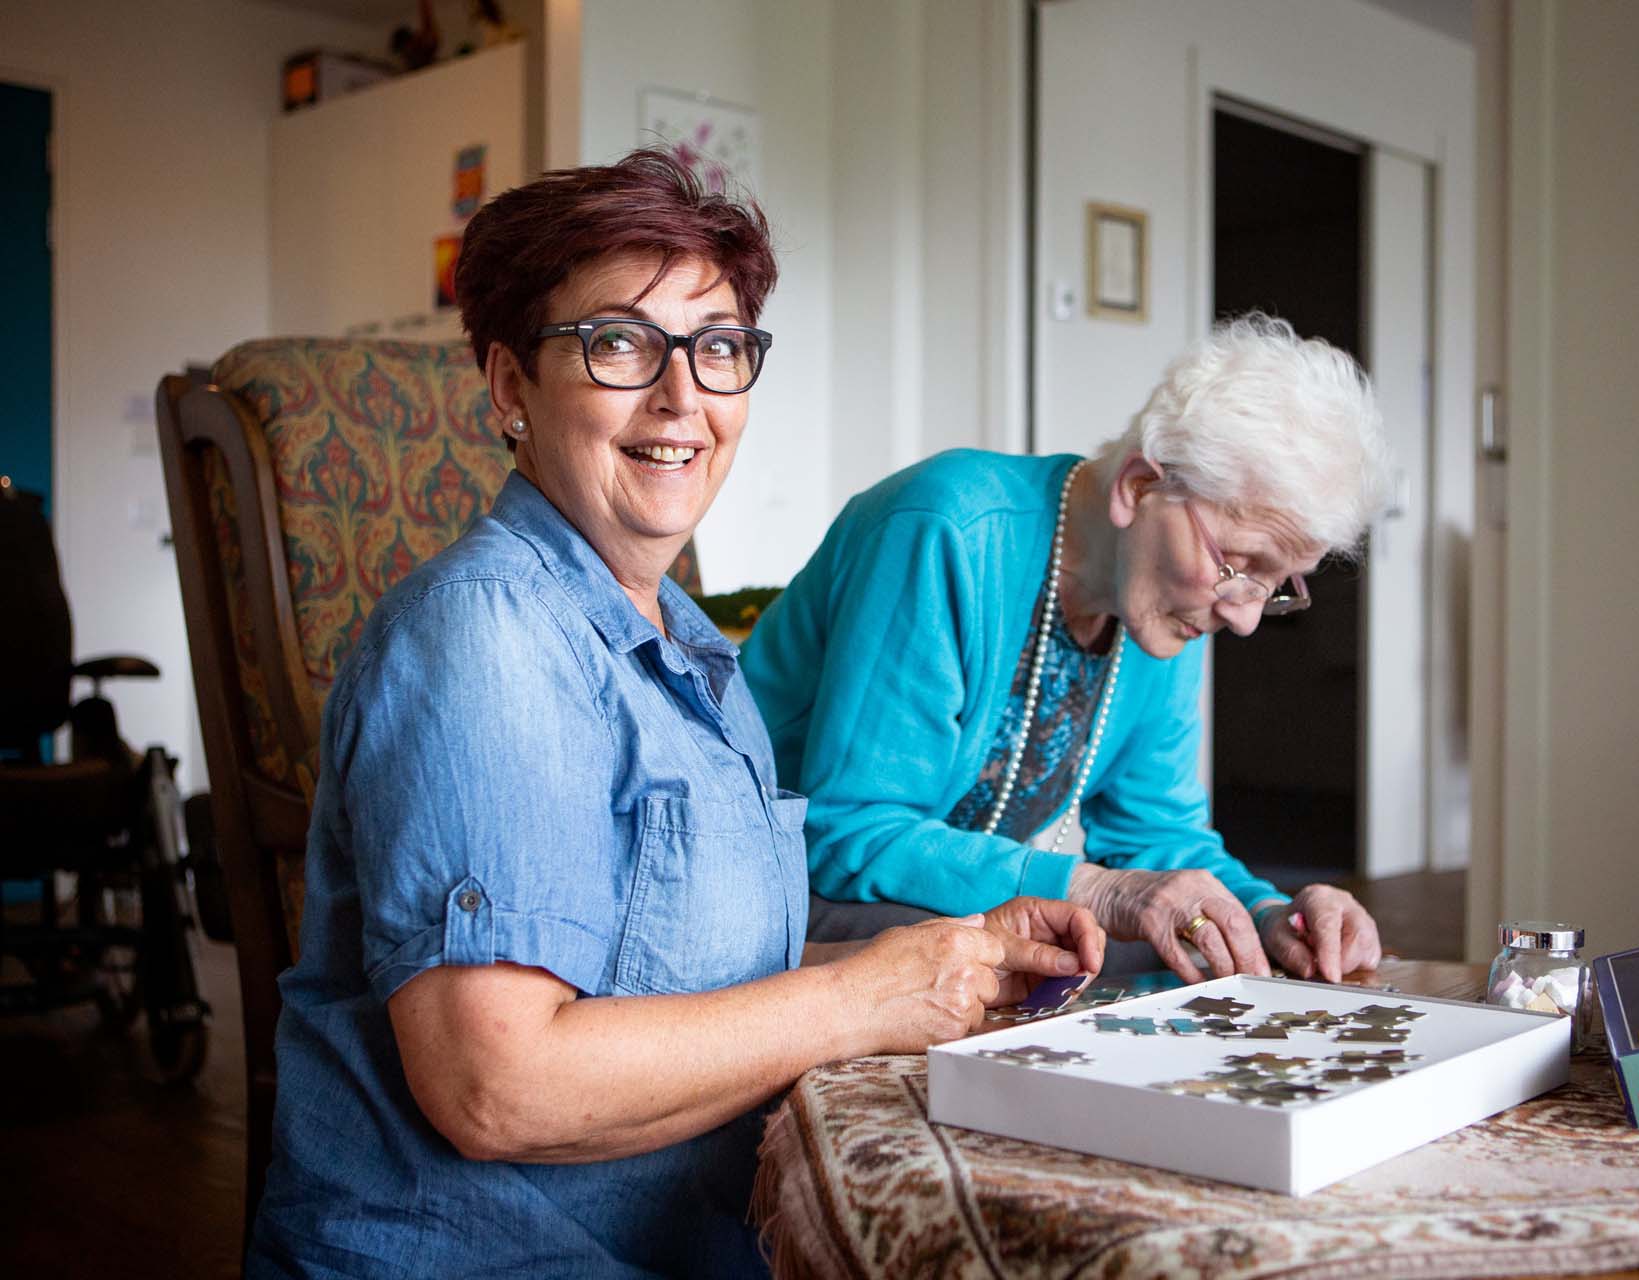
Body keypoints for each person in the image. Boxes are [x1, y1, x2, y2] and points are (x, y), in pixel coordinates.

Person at [247, 149, 1103, 1280]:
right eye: (617, 343)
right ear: (509, 389)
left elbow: (684, 955)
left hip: (691, 1240)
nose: (682, 396)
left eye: (718, 347)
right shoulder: (485, 640)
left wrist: (959, 949)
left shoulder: (691, 644)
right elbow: (499, 1088)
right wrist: (868, 994)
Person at [742, 315, 1389, 987]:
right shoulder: (948, 529)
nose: (1247, 616)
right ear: (1137, 487)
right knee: (1078, 957)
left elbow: (1158, 835)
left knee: (1179, 955)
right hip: (774, 885)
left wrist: (1269, 915)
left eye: (1276, 584)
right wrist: (1099, 891)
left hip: (915, 900)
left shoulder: (1166, 605)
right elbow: (845, 832)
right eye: (1241, 564)